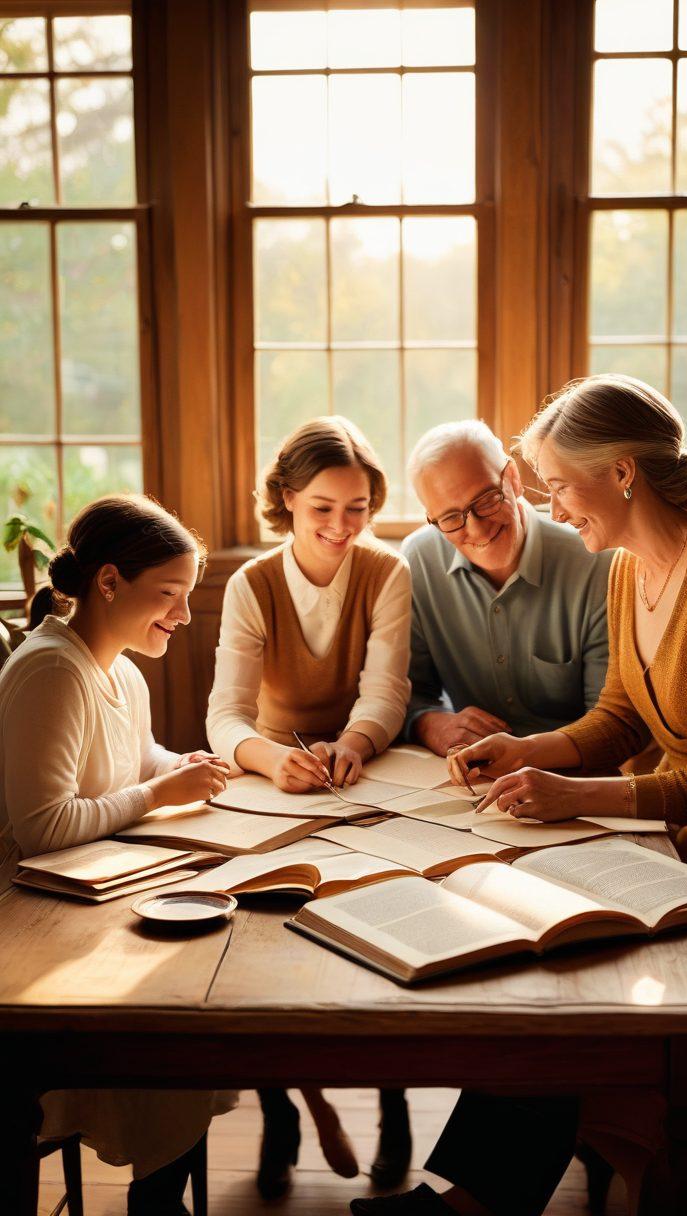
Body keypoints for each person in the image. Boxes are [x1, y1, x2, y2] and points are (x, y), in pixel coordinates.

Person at [350, 373, 687, 1216]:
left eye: (557, 484)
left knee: (574, 947)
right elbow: (619, 715)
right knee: (546, 925)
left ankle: (489, 1195)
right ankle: (486, 1192)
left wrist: (578, 800)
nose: (550, 506)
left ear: (621, 473)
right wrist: (524, 751)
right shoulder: (621, 566)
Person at [0, 494, 234, 1216]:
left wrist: (179, 763)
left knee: (188, 1007)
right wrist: (161, 795)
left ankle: (160, 1193)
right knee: (160, 1035)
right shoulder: (51, 670)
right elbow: (42, 824)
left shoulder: (122, 671)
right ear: (108, 583)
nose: (185, 616)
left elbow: (134, 762)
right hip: (29, 914)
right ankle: (156, 1199)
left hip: (91, 889)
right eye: (170, 596)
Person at [206, 415, 413, 1197]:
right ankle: (280, 1110)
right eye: (323, 506)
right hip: (271, 776)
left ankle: (394, 1106)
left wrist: (354, 745)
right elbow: (222, 716)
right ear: (287, 499)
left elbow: (387, 691)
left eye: (357, 508)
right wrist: (270, 758)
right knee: (265, 946)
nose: (340, 526)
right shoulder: (250, 584)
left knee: (385, 920)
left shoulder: (387, 572)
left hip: (367, 767)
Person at [402, 420, 611, 756]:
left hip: (572, 775)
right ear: (432, 518)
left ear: (513, 479)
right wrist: (431, 724)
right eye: (451, 518)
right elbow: (409, 692)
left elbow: (608, 723)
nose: (477, 529)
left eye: (485, 500)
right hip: (469, 777)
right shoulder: (419, 560)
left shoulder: (596, 564)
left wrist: (522, 759)